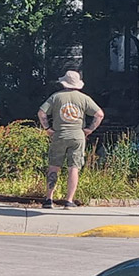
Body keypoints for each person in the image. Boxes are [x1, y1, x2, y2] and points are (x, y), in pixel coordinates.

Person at [38, 70, 103, 209]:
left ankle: (49, 199)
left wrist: (47, 128)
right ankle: (69, 200)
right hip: (77, 136)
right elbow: (99, 114)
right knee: (74, 168)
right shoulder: (84, 98)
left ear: (64, 83)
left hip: (59, 135)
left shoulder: (55, 97)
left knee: (54, 167)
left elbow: (42, 112)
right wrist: (89, 129)